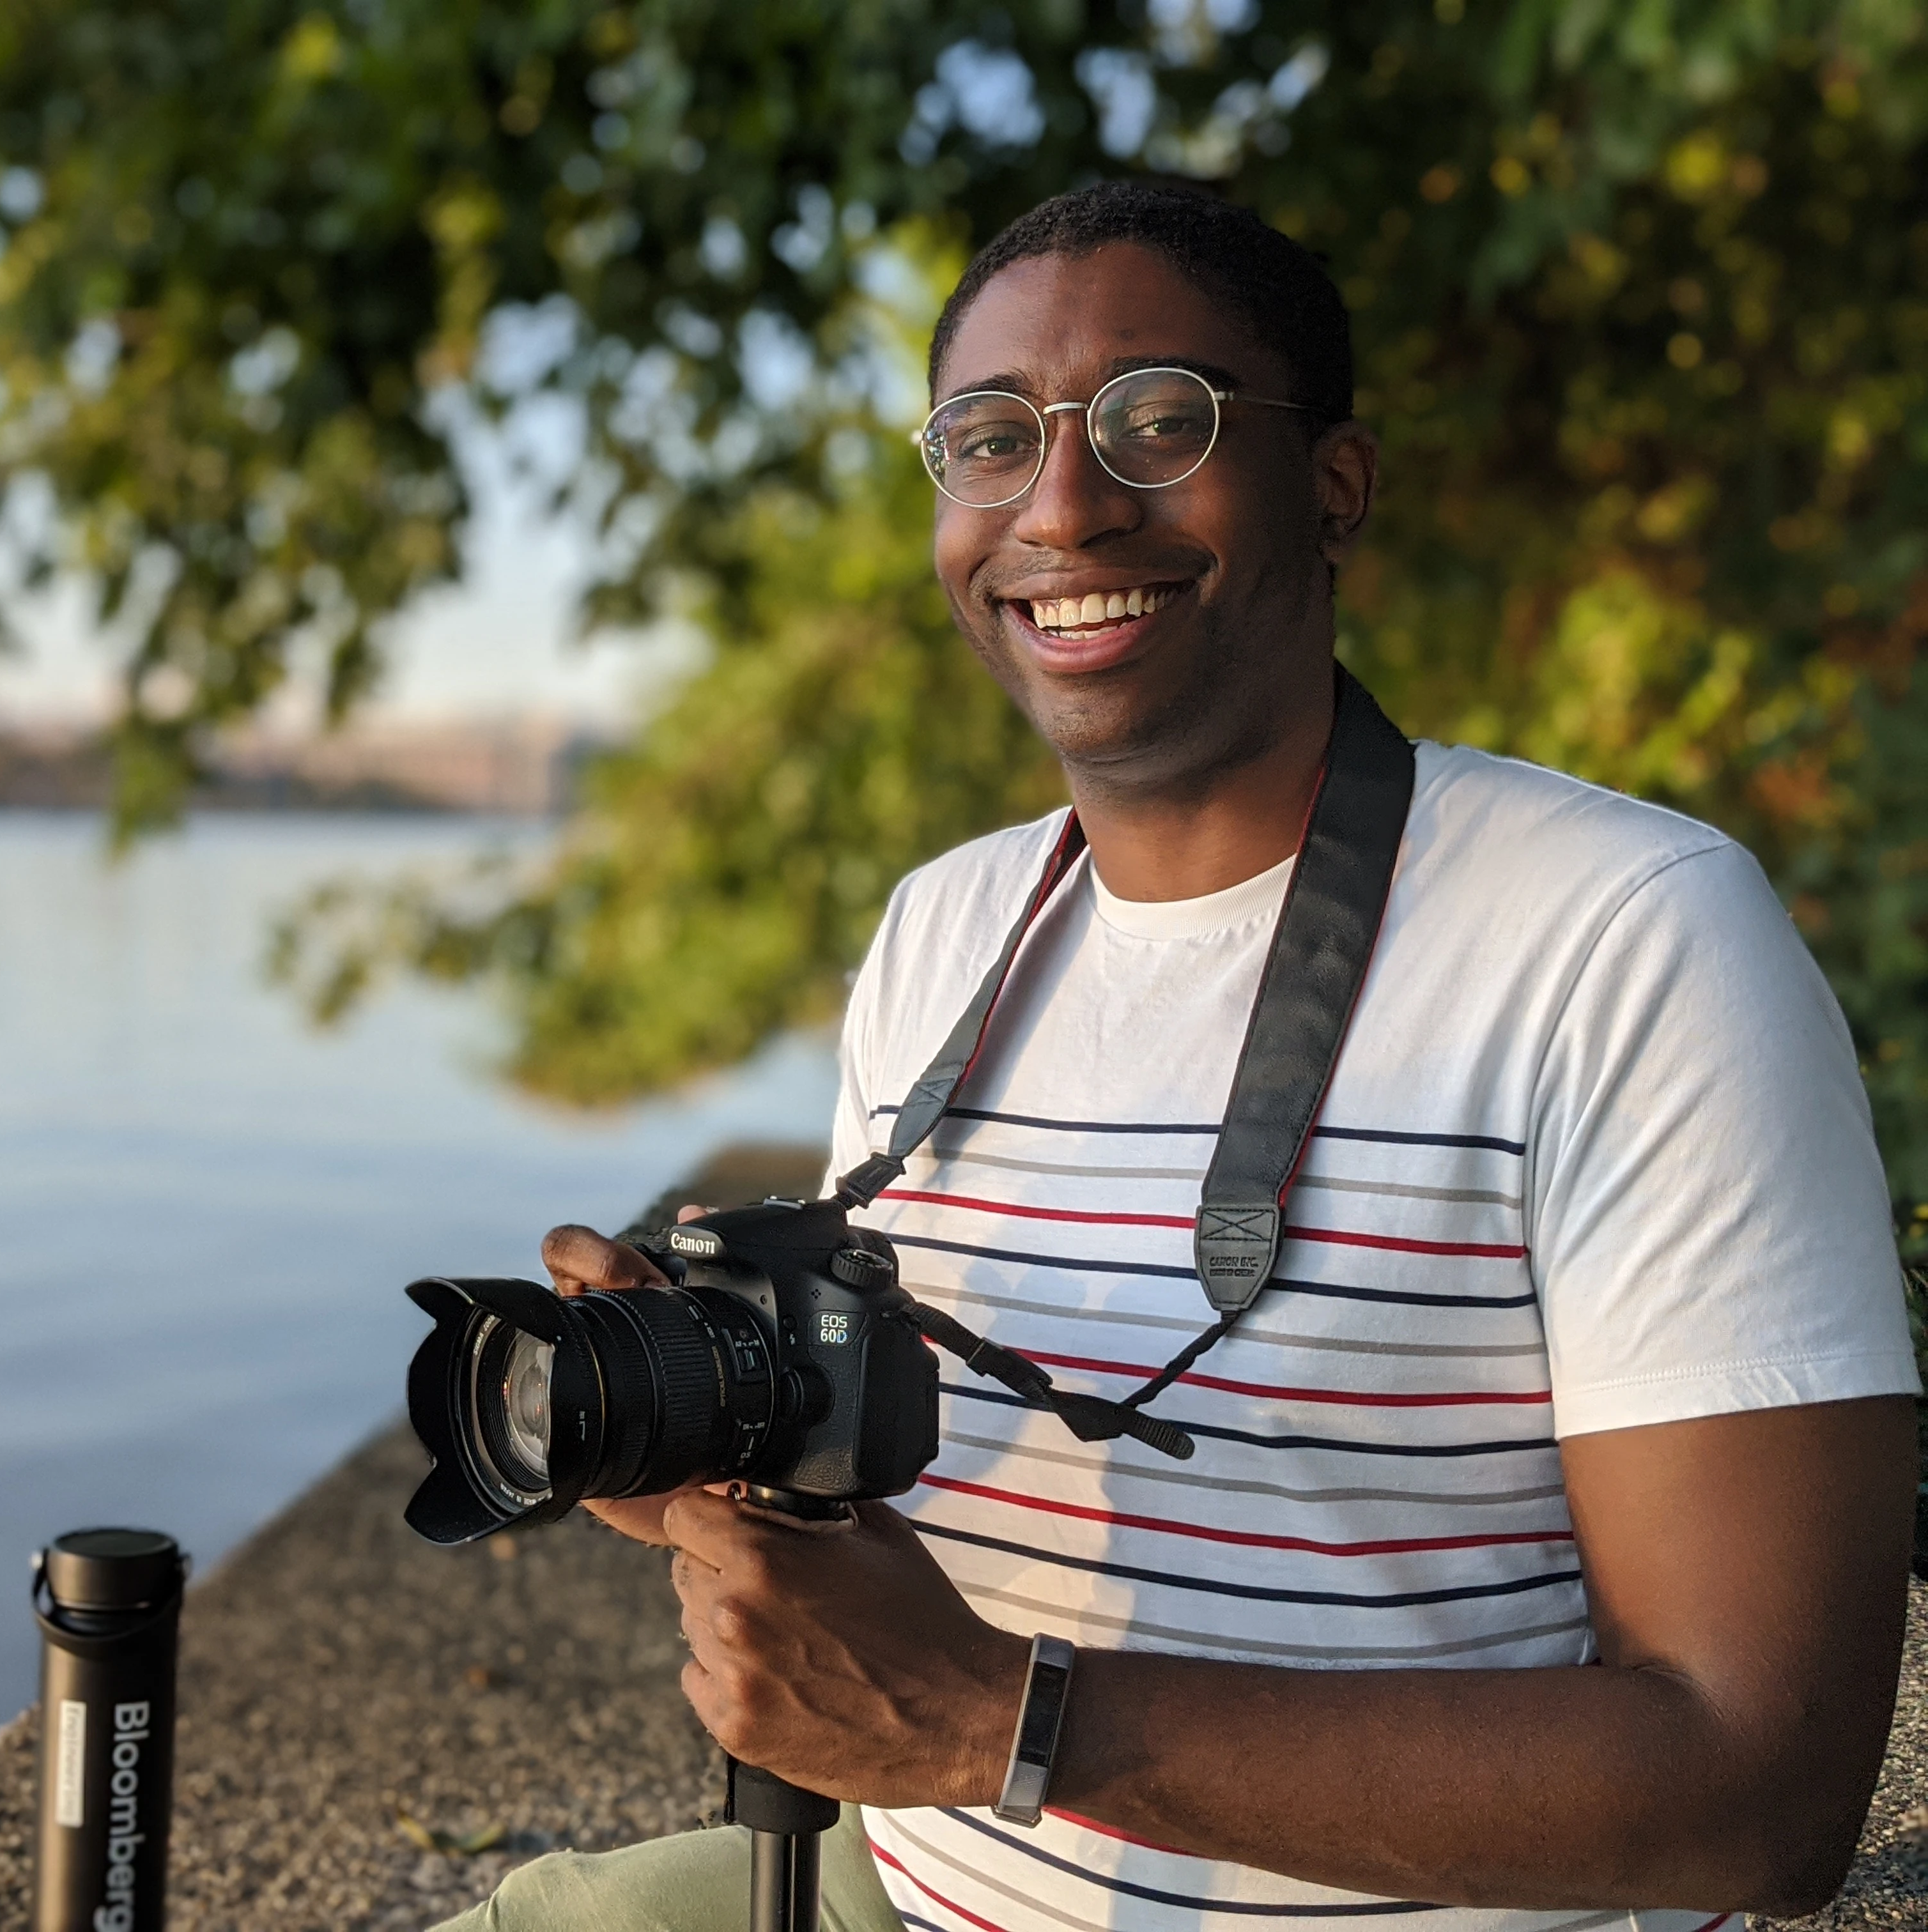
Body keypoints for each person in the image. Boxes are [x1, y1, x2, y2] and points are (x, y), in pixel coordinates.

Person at [437, 181, 1920, 1932]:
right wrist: (727, 1441)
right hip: (907, 1887)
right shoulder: (947, 930)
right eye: (990, 437)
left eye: (1160, 419)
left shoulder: (1630, 935)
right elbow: (937, 1559)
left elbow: (1762, 1792)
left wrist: (1004, 1722)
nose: (1061, 501)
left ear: (1335, 487)